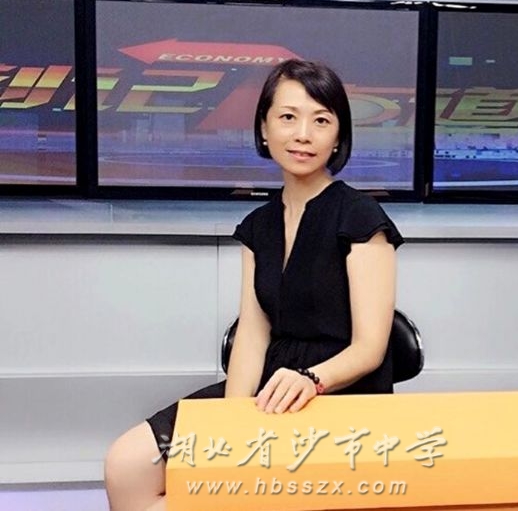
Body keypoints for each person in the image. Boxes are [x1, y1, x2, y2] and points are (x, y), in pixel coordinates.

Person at [104, 59, 403, 511]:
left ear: (338, 135)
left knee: (248, 491)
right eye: (288, 117)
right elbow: (253, 333)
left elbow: (370, 349)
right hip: (268, 389)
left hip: (339, 393)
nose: (303, 134)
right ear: (264, 127)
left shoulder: (360, 217)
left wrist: (312, 380)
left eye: (321, 120)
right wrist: (233, 420)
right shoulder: (257, 226)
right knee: (128, 464)